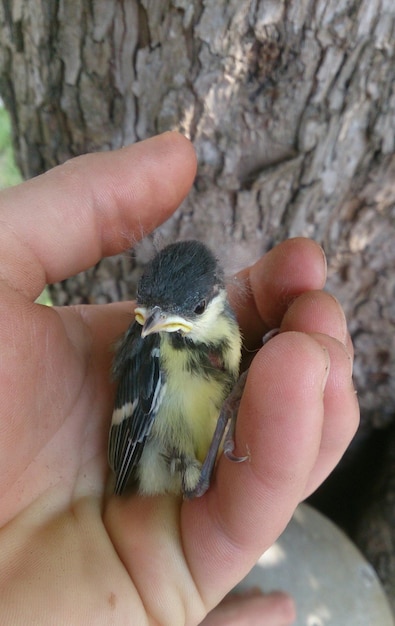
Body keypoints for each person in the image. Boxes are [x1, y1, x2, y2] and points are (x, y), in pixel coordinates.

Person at [0, 132, 359, 625]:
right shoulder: (151, 350)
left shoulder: (227, 330)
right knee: (197, 481)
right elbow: (132, 439)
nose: (152, 325)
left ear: (213, 298)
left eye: (183, 313)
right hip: (157, 464)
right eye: (148, 312)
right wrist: (231, 407)